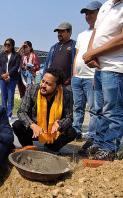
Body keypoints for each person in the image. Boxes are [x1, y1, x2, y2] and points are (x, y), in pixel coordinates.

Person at [81, 0, 123, 161]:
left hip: (114, 67)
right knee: (99, 110)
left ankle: (110, 148)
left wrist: (94, 52)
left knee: (113, 111)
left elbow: (121, 39)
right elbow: (96, 32)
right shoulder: (107, 5)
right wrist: (90, 54)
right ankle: (99, 144)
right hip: (99, 68)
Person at [12, 68, 76, 154]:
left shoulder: (66, 95)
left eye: (48, 84)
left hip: (53, 132)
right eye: (43, 81)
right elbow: (22, 112)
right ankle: (29, 147)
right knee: (17, 125)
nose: (42, 85)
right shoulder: (32, 89)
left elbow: (69, 117)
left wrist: (60, 124)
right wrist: (32, 125)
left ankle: (51, 147)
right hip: (35, 131)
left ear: (58, 87)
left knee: (71, 132)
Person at [72, 1, 102, 149]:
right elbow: (77, 55)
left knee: (94, 109)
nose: (87, 16)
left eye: (91, 12)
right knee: (78, 106)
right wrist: (74, 74)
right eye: (86, 13)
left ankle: (92, 134)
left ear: (100, 13)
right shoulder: (81, 34)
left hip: (92, 76)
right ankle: (76, 130)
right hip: (78, 77)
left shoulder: (102, 32)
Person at [43, 22, 76, 92]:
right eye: (58, 32)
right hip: (53, 83)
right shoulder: (54, 47)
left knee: (67, 101)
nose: (59, 34)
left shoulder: (74, 46)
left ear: (69, 32)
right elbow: (47, 64)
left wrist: (72, 78)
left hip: (68, 84)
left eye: (62, 31)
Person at [0, 38, 21, 119]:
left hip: (12, 78)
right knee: (3, 96)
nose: (6, 46)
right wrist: (3, 75)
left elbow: (16, 66)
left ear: (12, 46)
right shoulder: (1, 55)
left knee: (10, 96)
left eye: (8, 45)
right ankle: (4, 114)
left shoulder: (16, 55)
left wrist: (8, 74)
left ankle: (9, 114)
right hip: (3, 78)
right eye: (5, 44)